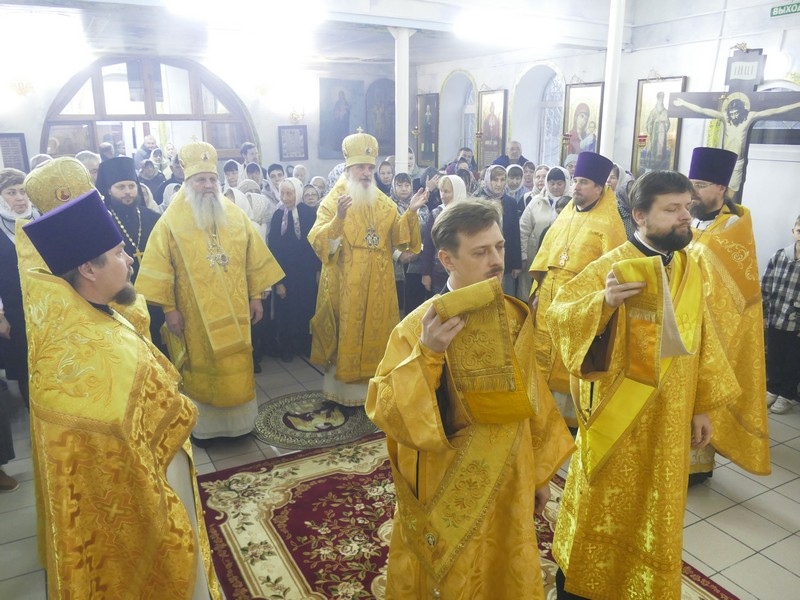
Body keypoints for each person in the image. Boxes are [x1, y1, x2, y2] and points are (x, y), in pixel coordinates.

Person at [366, 199, 574, 598]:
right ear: (447, 259)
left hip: (512, 476)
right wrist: (428, 354)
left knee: (502, 568)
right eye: (480, 252)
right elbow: (387, 408)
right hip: (452, 486)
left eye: (499, 247)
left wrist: (538, 474)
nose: (495, 260)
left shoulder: (514, 315)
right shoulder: (416, 327)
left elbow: (532, 398)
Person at [547, 170, 739, 599]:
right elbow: (559, 317)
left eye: (686, 207)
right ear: (640, 215)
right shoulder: (612, 266)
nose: (684, 216)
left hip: (670, 421)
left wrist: (701, 406)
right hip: (618, 422)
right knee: (601, 507)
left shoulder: (691, 267)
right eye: (672, 209)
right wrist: (603, 302)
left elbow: (704, 339)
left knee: (656, 511)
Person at [22, 189, 222, 599]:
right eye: (117, 254)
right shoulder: (84, 347)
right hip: (143, 486)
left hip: (155, 466)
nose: (130, 259)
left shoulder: (92, 314)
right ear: (88, 269)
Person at [136, 140, 284, 443]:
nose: (207, 185)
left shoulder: (234, 214)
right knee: (203, 368)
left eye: (212, 179)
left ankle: (242, 425)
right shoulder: (171, 221)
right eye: (200, 180)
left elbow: (254, 256)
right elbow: (160, 267)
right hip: (194, 316)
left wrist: (257, 297)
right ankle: (208, 430)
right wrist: (169, 310)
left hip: (237, 310)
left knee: (237, 363)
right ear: (187, 182)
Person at [308, 131, 428, 406]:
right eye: (360, 167)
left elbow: (398, 236)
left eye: (370, 168)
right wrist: (339, 218)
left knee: (376, 334)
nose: (366, 172)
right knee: (347, 334)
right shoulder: (333, 201)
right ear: (349, 169)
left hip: (379, 286)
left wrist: (410, 212)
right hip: (346, 285)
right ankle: (341, 394)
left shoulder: (383, 202)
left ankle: (372, 394)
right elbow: (319, 242)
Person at [685, 147, 770, 486]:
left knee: (700, 392)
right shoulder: (687, 219)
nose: (693, 192)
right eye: (691, 183)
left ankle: (696, 465)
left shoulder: (733, 229)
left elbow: (731, 294)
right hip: (679, 321)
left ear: (722, 188)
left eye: (701, 185)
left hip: (710, 327)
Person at [529, 152, 626, 428]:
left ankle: (567, 423)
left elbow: (612, 271)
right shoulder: (566, 213)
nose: (576, 187)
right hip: (549, 301)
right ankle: (541, 417)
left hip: (579, 308)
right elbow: (546, 254)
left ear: (599, 187)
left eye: (583, 182)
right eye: (575, 181)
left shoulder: (610, 223)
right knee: (542, 357)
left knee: (567, 360)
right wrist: (537, 291)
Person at [673, 93, 800, 192]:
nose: (733, 116)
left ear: (742, 111)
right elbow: (702, 110)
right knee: (715, 193)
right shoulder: (725, 117)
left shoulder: (749, 117)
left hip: (738, 162)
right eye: (731, 113)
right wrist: (684, 103)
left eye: (736, 113)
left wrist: (797, 104)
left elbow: (775, 111)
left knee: (732, 195)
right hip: (723, 162)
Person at [268, 178, 321, 361]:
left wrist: (317, 270)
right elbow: (274, 249)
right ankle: (287, 347)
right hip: (285, 273)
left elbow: (316, 245)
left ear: (297, 193)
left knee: (306, 308)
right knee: (285, 311)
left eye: (289, 193)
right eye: (282, 193)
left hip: (306, 274)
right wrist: (279, 282)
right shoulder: (277, 216)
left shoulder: (309, 213)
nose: (285, 197)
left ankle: (305, 344)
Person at [0, 168, 38, 411]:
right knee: (26, 367)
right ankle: (34, 418)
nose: (20, 198)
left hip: (48, 305)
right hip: (14, 310)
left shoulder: (40, 218)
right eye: (11, 192)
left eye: (23, 191)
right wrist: (0, 316)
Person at [95, 156, 161, 281]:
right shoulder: (103, 222)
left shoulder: (153, 218)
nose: (128, 192)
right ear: (109, 190)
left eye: (131, 186)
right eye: (121, 187)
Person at [762, 214, 800, 414]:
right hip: (776, 318)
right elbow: (766, 285)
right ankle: (773, 388)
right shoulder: (780, 256)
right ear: (793, 231)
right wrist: (764, 313)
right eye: (799, 231)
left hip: (796, 324)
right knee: (775, 355)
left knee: (793, 359)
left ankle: (787, 394)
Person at [480, 165, 523, 297]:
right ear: (488, 179)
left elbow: (515, 234)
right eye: (495, 180)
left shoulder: (510, 202)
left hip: (506, 257)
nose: (498, 184)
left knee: (506, 298)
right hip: (484, 257)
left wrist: (516, 264)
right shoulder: (479, 201)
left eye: (502, 179)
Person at [420, 174, 467, 294]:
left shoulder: (468, 214)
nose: (442, 195)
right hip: (439, 272)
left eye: (447, 192)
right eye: (441, 191)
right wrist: (426, 273)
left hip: (463, 271)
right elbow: (428, 246)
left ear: (457, 192)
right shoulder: (436, 214)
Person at [645, 91, 671, 169]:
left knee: (660, 148)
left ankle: (659, 164)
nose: (661, 100)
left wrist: (663, 123)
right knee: (653, 147)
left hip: (662, 132)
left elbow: (667, 123)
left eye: (662, 98)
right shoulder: (653, 111)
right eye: (660, 98)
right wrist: (651, 128)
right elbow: (649, 122)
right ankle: (652, 163)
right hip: (654, 132)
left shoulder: (665, 111)